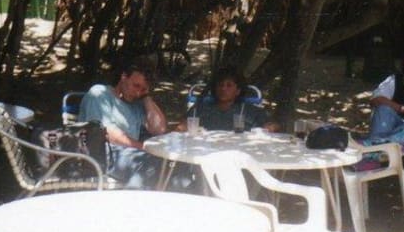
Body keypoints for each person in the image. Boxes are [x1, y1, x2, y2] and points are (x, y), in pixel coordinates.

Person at [79, 59, 169, 188]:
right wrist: (144, 148)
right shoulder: (100, 94)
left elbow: (159, 129)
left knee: (171, 166)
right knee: (151, 165)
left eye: (143, 89)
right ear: (123, 77)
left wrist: (146, 97)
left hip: (129, 153)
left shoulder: (136, 104)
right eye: (136, 86)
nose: (138, 92)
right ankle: (132, 199)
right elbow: (106, 133)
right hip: (102, 152)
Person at [180, 66, 280, 132]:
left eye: (229, 85)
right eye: (220, 85)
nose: (223, 89)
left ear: (238, 91)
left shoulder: (250, 110)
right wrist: (182, 126)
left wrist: (271, 127)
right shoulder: (200, 108)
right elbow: (182, 126)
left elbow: (273, 125)